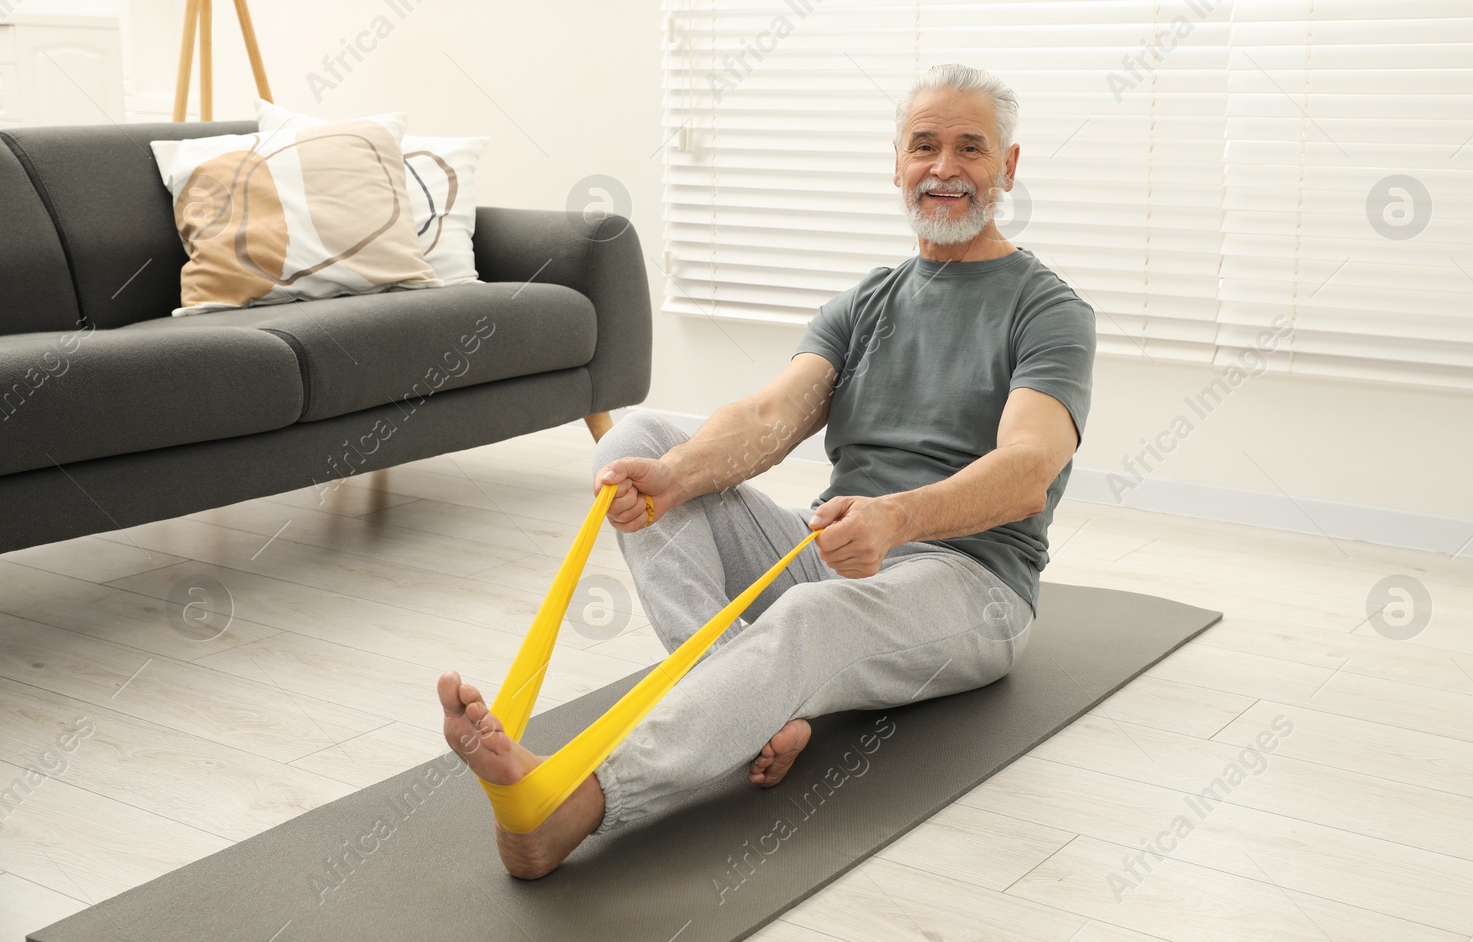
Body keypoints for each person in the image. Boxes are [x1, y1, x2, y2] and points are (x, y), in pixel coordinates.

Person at [438, 62, 1096, 879]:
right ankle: (745, 703)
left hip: (968, 580)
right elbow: (768, 418)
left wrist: (897, 518)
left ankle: (569, 806)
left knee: (811, 618)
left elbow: (1028, 467)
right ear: (897, 164)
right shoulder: (867, 302)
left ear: (1008, 167)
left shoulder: (1048, 308)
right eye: (924, 146)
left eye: (970, 148)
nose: (945, 168)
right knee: (629, 449)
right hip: (826, 546)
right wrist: (675, 477)